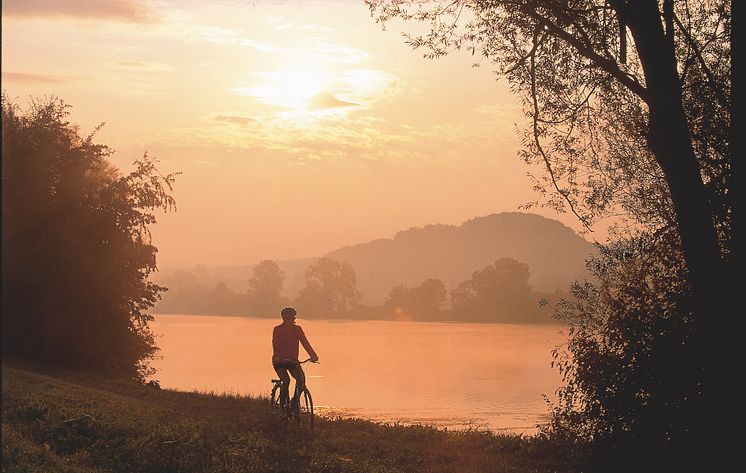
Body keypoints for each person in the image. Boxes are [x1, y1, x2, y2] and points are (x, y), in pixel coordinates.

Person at [272, 307, 319, 411]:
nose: (291, 320)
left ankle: (294, 403)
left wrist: (313, 355)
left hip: (292, 361)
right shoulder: (277, 329)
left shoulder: (298, 330)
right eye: (288, 318)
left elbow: (305, 342)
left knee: (301, 379)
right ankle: (282, 407)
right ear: (284, 319)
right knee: (286, 380)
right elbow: (275, 344)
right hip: (279, 361)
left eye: (292, 318)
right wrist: (278, 357)